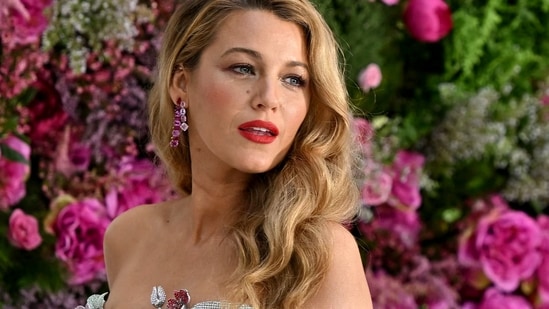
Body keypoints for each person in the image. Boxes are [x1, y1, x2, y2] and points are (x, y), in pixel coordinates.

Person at [80, 0, 373, 308]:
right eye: (243, 69)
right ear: (181, 83)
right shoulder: (129, 237)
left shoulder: (318, 254)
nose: (269, 99)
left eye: (293, 79)